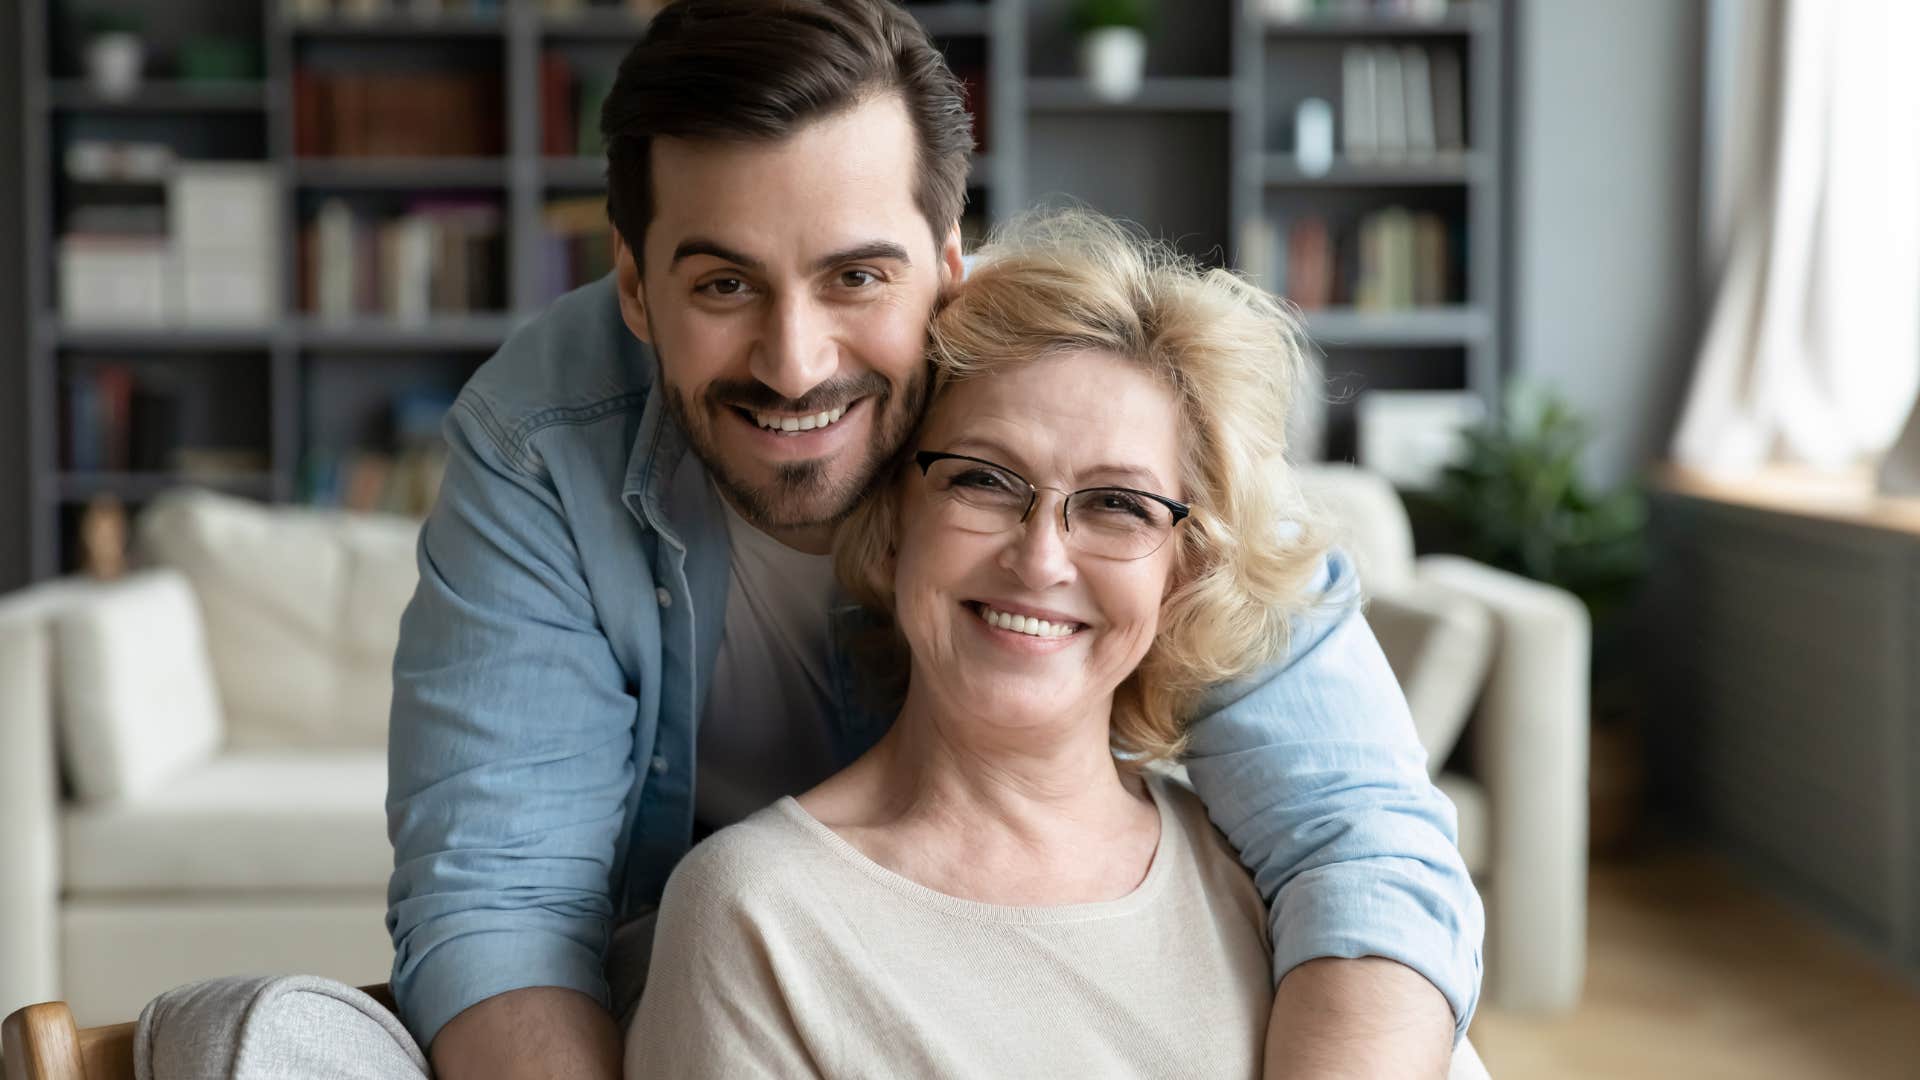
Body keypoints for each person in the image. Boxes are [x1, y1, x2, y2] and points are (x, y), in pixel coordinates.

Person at [117, 2, 1474, 1077]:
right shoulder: (539, 445)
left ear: (952, 262)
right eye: (722, 284)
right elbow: (503, 908)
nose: (794, 359)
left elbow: (1358, 833)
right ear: (636, 288)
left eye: (856, 276)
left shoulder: (1099, 394)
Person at [623, 208, 1371, 1076]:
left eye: (1119, 503)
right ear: (895, 513)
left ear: (1185, 569)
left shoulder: (1286, 896)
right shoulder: (756, 919)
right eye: (983, 479)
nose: (1041, 558)